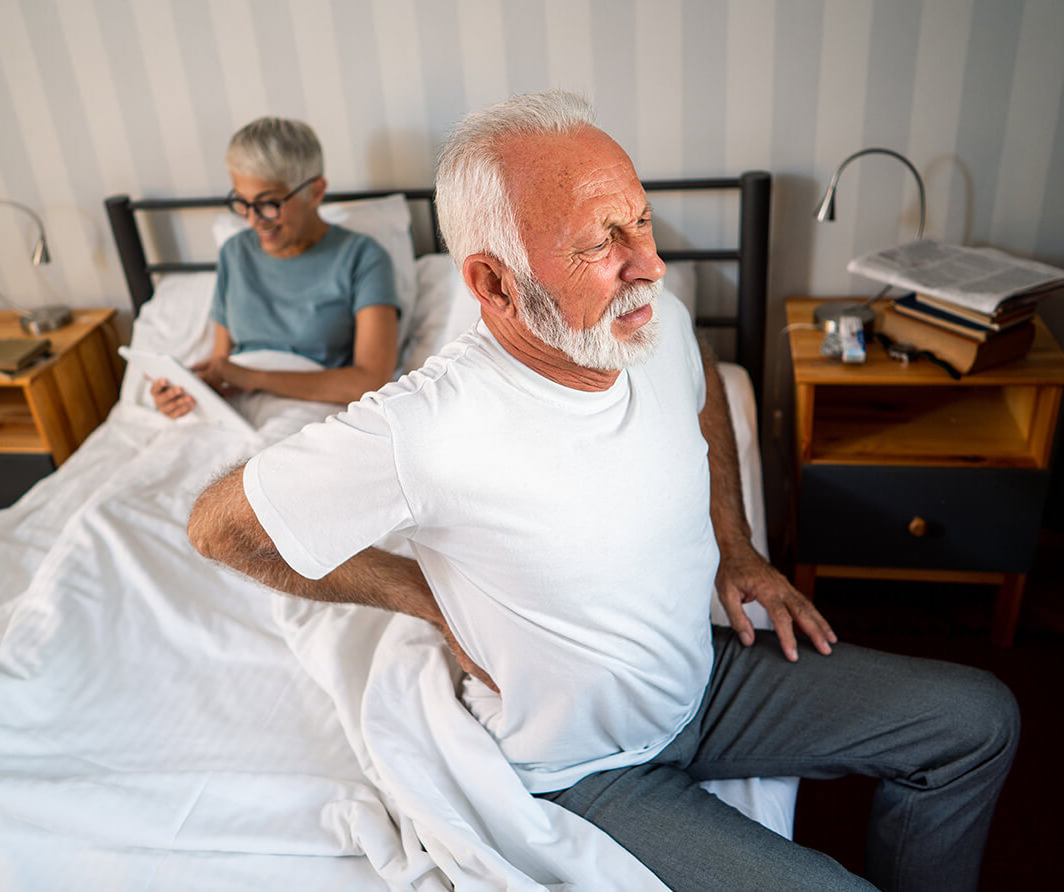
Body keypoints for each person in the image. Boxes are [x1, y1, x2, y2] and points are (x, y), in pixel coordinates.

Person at [186, 91, 1018, 891]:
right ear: (494, 284)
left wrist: (736, 544)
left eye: (642, 221)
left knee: (978, 721)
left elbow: (701, 399)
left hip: (708, 682)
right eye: (600, 243)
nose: (649, 264)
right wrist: (425, 596)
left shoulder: (655, 322)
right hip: (587, 768)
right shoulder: (428, 426)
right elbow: (220, 527)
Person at [152, 117, 400, 417]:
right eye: (241, 202)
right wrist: (184, 391)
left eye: (267, 203)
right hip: (235, 412)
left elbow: (370, 380)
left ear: (316, 192)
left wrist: (253, 379)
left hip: (311, 411)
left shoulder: (363, 257)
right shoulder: (235, 253)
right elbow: (222, 363)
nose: (252, 219)